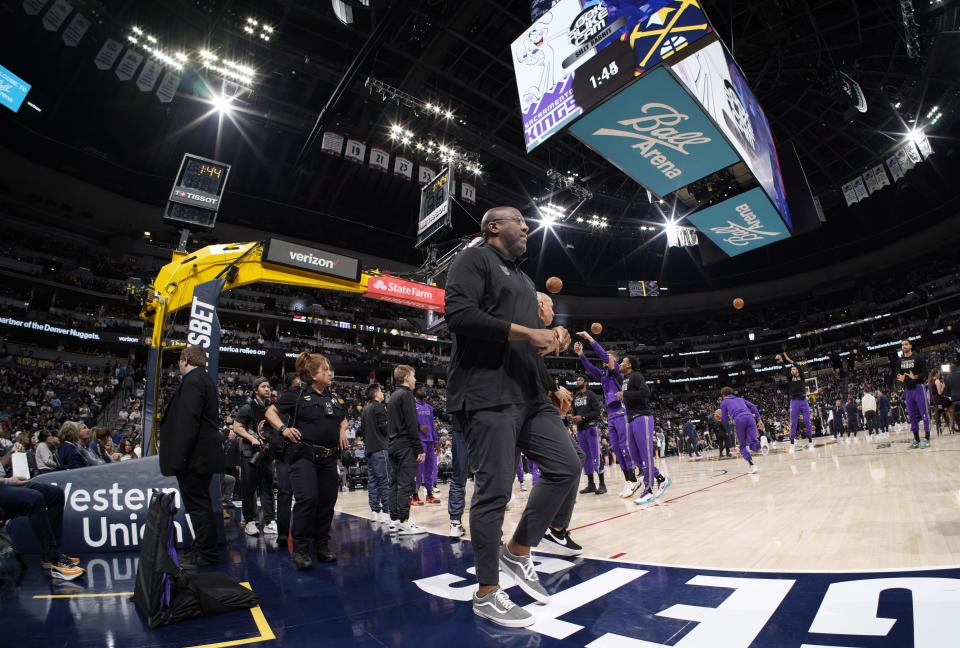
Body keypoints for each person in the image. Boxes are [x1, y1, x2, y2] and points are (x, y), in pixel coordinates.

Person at [444, 205, 580, 628]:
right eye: (518, 220)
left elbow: (530, 339)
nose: (526, 226)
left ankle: (518, 550)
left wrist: (553, 336)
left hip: (530, 394)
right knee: (494, 493)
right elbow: (459, 315)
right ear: (494, 226)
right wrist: (528, 332)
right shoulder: (474, 258)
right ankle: (487, 592)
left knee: (566, 468)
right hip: (487, 392)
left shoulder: (523, 279)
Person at [265, 353, 348, 569]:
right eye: (325, 370)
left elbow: (343, 418)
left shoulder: (332, 396)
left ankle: (322, 546)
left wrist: (342, 429)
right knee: (307, 501)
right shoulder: (298, 394)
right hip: (304, 457)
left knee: (327, 504)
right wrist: (283, 429)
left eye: (330, 369)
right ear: (312, 374)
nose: (330, 373)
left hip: (329, 459)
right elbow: (271, 412)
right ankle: (300, 550)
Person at [158, 346, 222, 570]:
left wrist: (179, 459)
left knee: (198, 507)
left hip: (193, 458)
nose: (178, 364)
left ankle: (206, 554)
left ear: (185, 359)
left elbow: (188, 424)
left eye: (179, 360)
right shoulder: (203, 379)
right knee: (200, 504)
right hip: (200, 456)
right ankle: (202, 548)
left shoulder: (193, 381)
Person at [573, 331, 639, 497]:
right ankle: (628, 482)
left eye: (607, 358)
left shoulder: (618, 371)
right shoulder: (603, 375)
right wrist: (581, 354)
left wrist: (590, 339)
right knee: (616, 448)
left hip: (621, 411)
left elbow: (603, 355)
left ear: (614, 361)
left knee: (624, 447)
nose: (604, 360)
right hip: (610, 415)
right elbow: (589, 368)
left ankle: (634, 478)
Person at [0, 450, 84, 580]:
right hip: (3, 485)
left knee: (55, 494)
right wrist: (7, 481)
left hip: (5, 483)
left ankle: (50, 554)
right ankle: (56, 561)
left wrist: (11, 454)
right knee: (34, 499)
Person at [617, 355, 670, 505]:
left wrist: (625, 394)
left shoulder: (636, 375)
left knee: (646, 456)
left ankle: (648, 491)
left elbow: (645, 393)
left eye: (623, 362)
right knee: (636, 457)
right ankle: (661, 478)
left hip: (642, 417)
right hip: (631, 419)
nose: (621, 363)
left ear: (629, 365)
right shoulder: (624, 379)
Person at [387, 364, 428, 536]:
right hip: (405, 446)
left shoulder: (392, 396)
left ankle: (395, 520)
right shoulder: (407, 396)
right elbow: (412, 425)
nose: (415, 379)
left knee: (394, 484)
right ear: (406, 378)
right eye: (413, 376)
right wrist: (419, 448)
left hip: (393, 445)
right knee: (406, 484)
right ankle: (404, 521)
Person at [233, 377, 277, 537]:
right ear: (255, 390)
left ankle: (270, 522)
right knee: (249, 489)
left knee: (267, 489)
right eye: (263, 386)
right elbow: (237, 427)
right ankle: (250, 522)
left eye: (268, 386)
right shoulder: (247, 408)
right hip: (250, 456)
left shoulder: (271, 409)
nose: (267, 389)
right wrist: (252, 439)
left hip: (266, 456)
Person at [273, 372, 300, 544]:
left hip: (300, 454)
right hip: (283, 455)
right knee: (284, 494)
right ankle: (283, 533)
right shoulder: (282, 404)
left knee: (303, 496)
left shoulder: (304, 402)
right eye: (298, 384)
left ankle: (300, 532)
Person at [360, 382, 390, 523]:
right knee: (385, 480)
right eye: (381, 391)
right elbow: (384, 428)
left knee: (373, 481)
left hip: (369, 449)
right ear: (376, 394)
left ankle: (374, 511)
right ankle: (386, 511)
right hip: (380, 448)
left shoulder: (365, 409)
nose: (383, 393)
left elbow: (362, 431)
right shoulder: (379, 407)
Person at [570, 375, 605, 495]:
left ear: (585, 382)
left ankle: (602, 484)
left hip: (591, 427)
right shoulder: (575, 397)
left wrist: (583, 417)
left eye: (580, 380)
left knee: (596, 455)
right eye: (577, 380)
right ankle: (591, 484)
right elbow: (574, 413)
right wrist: (571, 417)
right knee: (586, 458)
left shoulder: (590, 394)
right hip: (580, 430)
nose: (577, 381)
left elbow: (597, 412)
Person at [718, 387, 766, 474]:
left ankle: (752, 465)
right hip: (750, 417)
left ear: (723, 395)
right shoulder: (740, 399)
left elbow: (725, 420)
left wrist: (720, 419)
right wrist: (759, 419)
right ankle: (761, 444)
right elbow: (753, 406)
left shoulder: (724, 402)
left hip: (739, 419)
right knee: (753, 443)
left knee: (743, 446)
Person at [897, 339, 931, 448]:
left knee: (924, 413)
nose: (904, 346)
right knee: (911, 416)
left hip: (919, 388)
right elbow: (901, 375)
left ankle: (927, 439)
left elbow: (926, 373)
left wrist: (915, 377)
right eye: (902, 345)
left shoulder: (918, 357)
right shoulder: (900, 361)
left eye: (906, 344)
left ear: (910, 346)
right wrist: (902, 380)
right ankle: (916, 440)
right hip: (908, 391)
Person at [776, 351, 813, 450]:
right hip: (794, 402)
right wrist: (781, 361)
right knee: (794, 422)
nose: (792, 370)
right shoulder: (790, 378)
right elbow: (784, 369)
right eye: (791, 369)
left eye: (794, 369)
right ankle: (792, 442)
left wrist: (790, 361)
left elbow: (798, 366)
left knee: (807, 421)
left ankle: (810, 441)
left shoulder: (802, 377)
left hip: (803, 401)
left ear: (797, 370)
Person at [413, 386, 441, 505]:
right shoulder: (412, 406)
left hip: (429, 441)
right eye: (420, 389)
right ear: (415, 393)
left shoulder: (429, 407)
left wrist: (436, 441)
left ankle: (429, 494)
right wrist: (419, 426)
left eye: (424, 390)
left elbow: (433, 426)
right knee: (418, 471)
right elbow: (409, 424)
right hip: (419, 442)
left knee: (429, 469)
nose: (423, 391)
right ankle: (414, 495)